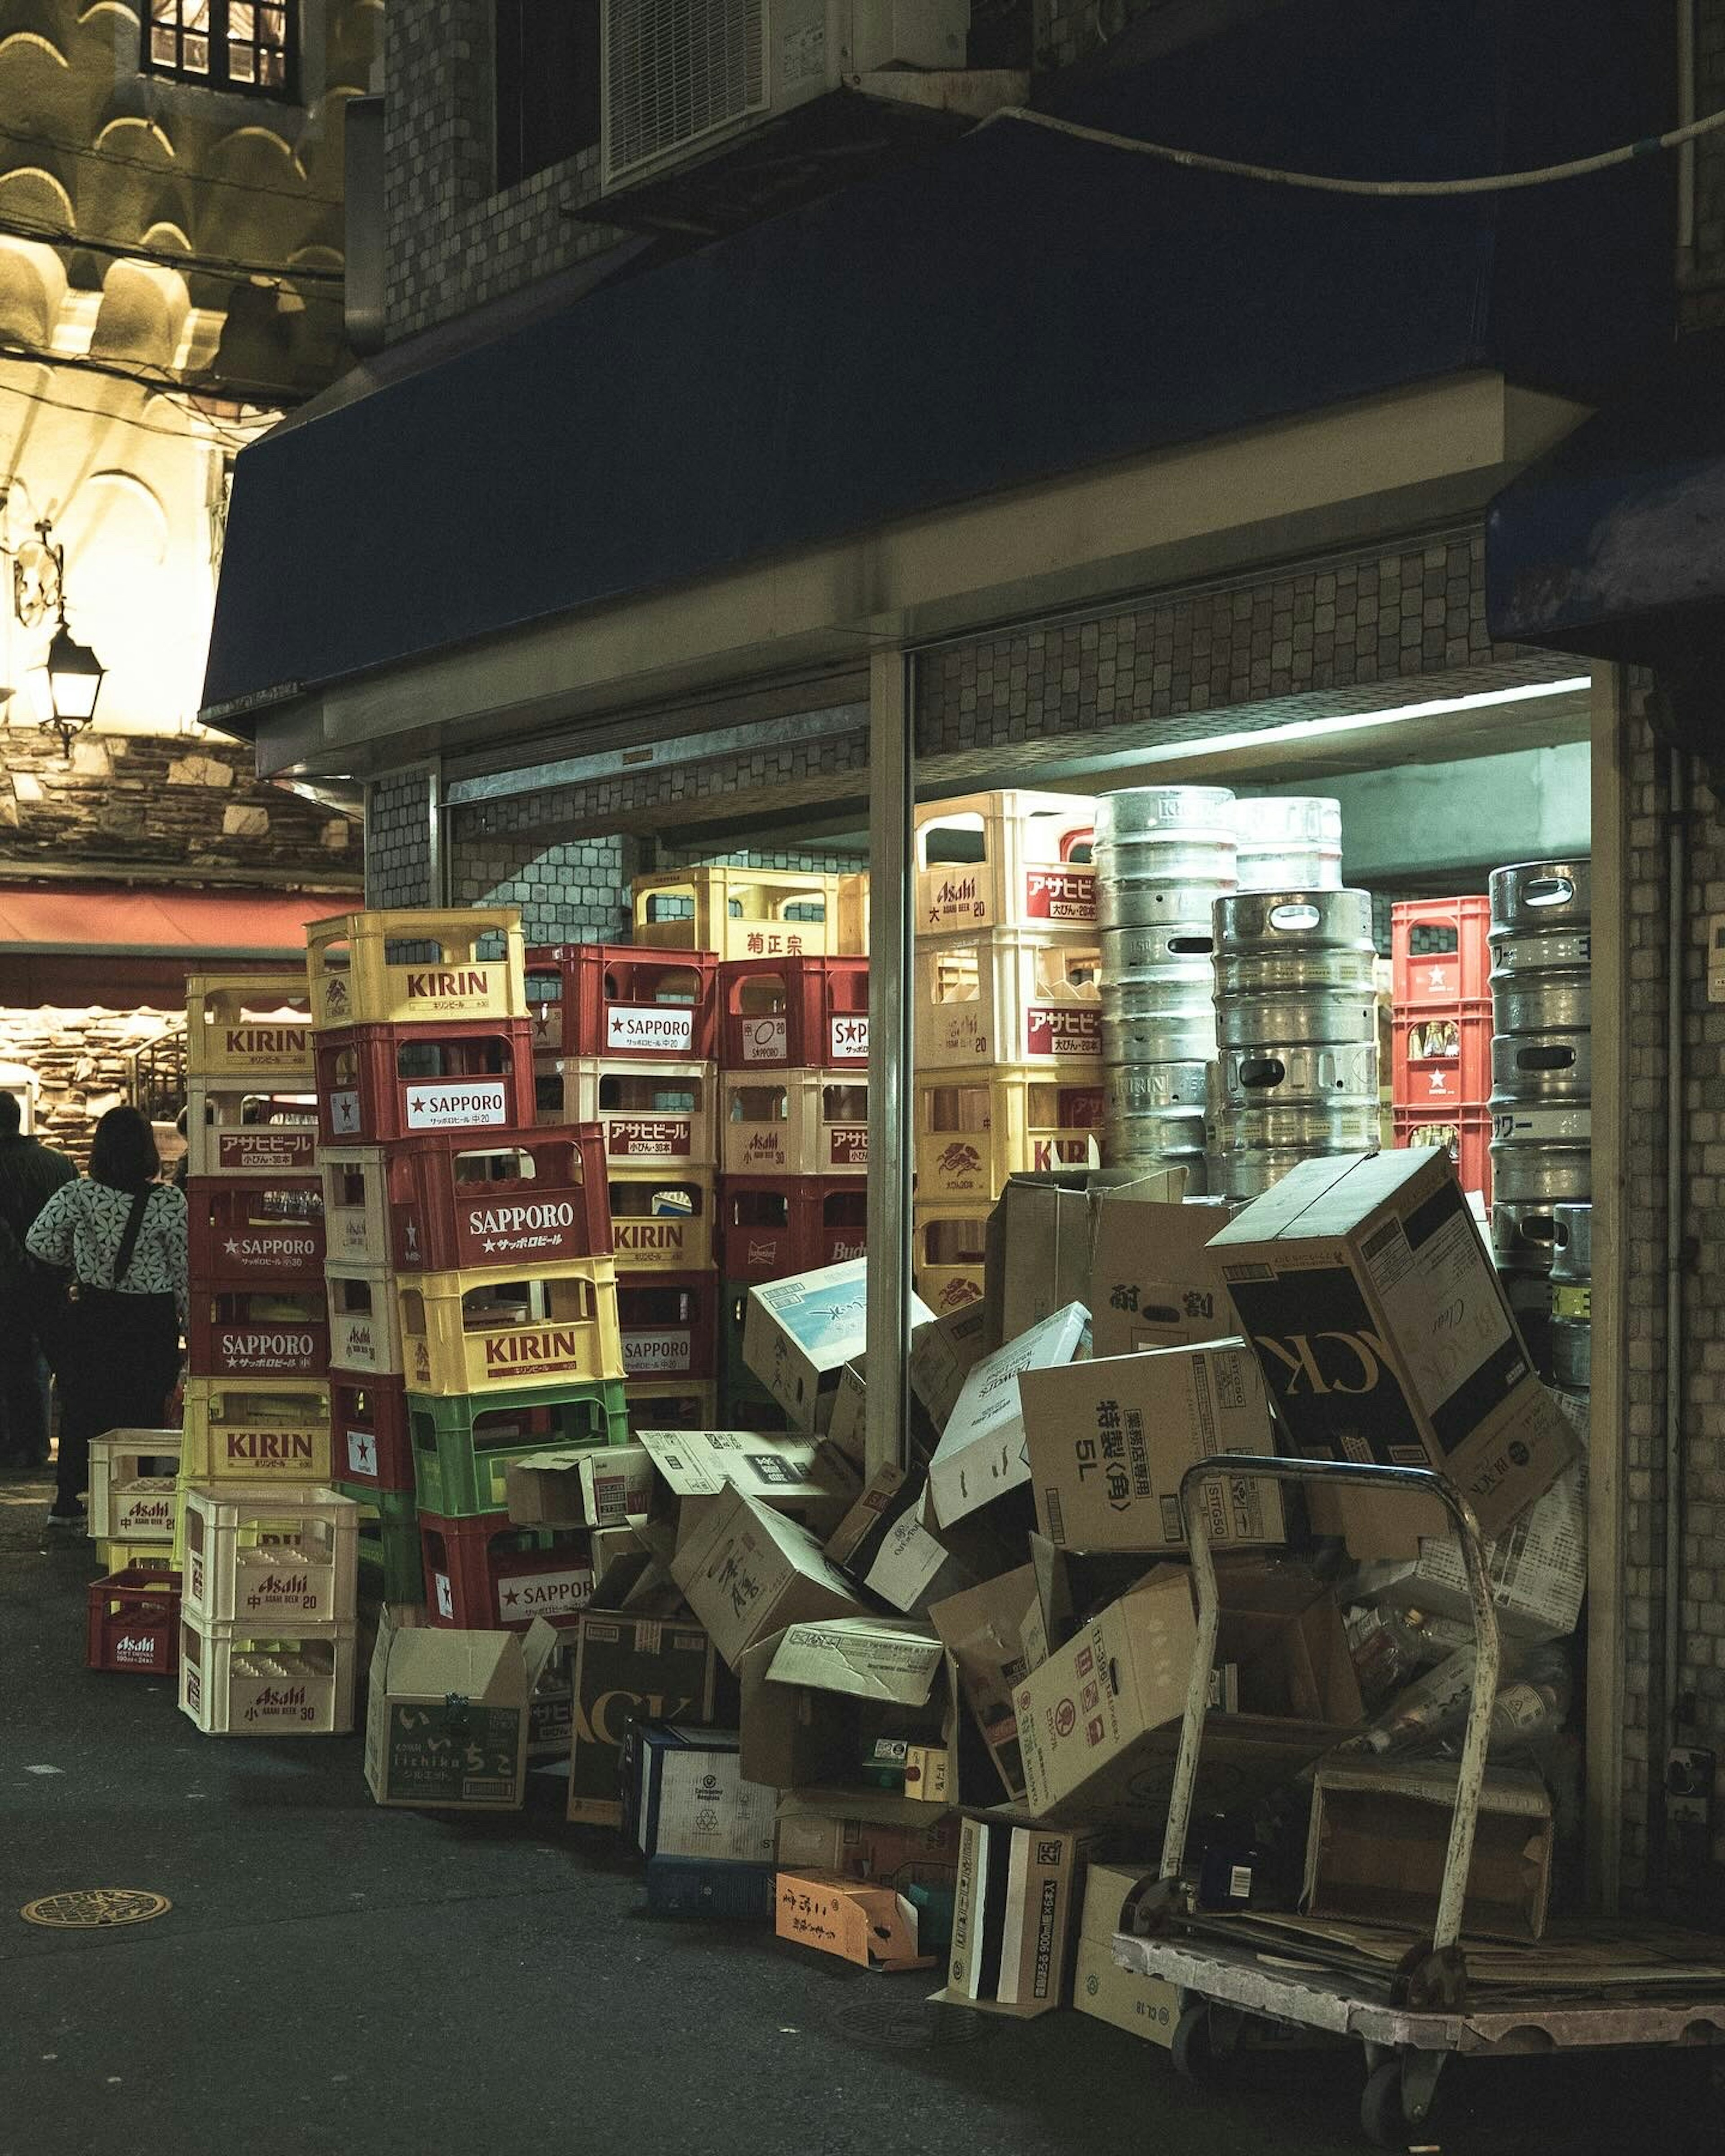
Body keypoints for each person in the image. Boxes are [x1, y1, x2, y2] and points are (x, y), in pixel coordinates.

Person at [27, 1105, 186, 1528]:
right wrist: (190, 1325)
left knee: (86, 1404)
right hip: (151, 1320)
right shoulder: (169, 1201)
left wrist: (77, 1262)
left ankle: (69, 1499)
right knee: (145, 1405)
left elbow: (38, 1241)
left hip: (97, 1313)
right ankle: (140, 1505)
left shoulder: (77, 1195)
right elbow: (183, 1269)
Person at [0, 1090, 75, 1469]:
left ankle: (14, 1447)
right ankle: (41, 1447)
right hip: (53, 1284)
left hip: (6, 1287)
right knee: (49, 1365)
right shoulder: (59, 1164)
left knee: (10, 1365)